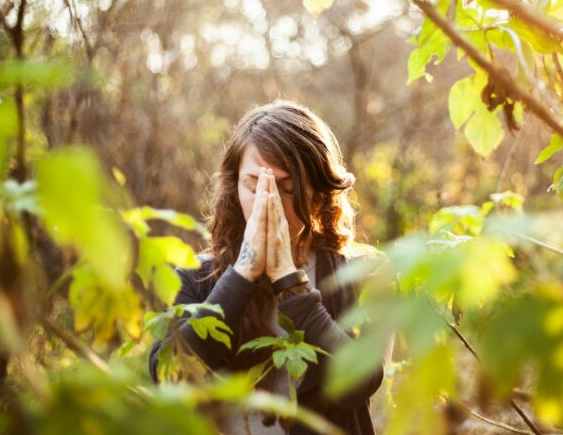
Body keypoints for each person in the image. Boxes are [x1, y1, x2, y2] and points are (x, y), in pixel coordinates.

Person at [148, 100, 391, 435]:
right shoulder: (194, 277)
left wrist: (289, 281)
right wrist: (243, 272)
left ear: (318, 193)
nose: (269, 201)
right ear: (234, 187)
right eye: (254, 185)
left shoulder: (365, 274)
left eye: (287, 188)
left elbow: (361, 383)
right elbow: (170, 379)